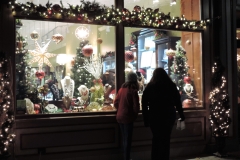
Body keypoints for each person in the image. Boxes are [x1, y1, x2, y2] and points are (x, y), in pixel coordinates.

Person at [142, 68, 185, 160]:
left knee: (156, 139)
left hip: (154, 116)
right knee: (166, 139)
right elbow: (178, 102)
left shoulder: (150, 87)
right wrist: (181, 115)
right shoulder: (171, 86)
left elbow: (144, 104)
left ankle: (155, 157)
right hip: (168, 115)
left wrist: (146, 119)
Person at [114, 72, 140, 160]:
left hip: (119, 117)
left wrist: (120, 109)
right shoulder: (133, 90)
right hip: (128, 117)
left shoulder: (121, 89)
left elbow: (115, 102)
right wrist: (134, 115)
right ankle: (127, 158)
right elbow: (136, 106)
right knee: (128, 140)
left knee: (124, 139)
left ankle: (125, 157)